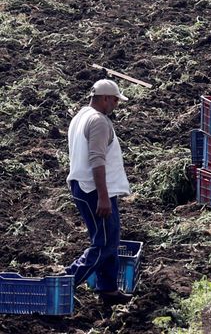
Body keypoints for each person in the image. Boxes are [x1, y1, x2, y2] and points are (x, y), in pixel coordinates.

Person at [64, 79, 132, 306]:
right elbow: (97, 160)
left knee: (110, 238)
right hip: (94, 189)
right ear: (104, 98)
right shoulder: (98, 121)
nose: (116, 104)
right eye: (114, 100)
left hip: (82, 185)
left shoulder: (80, 116)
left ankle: (109, 290)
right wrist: (103, 197)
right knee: (103, 243)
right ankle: (65, 281)